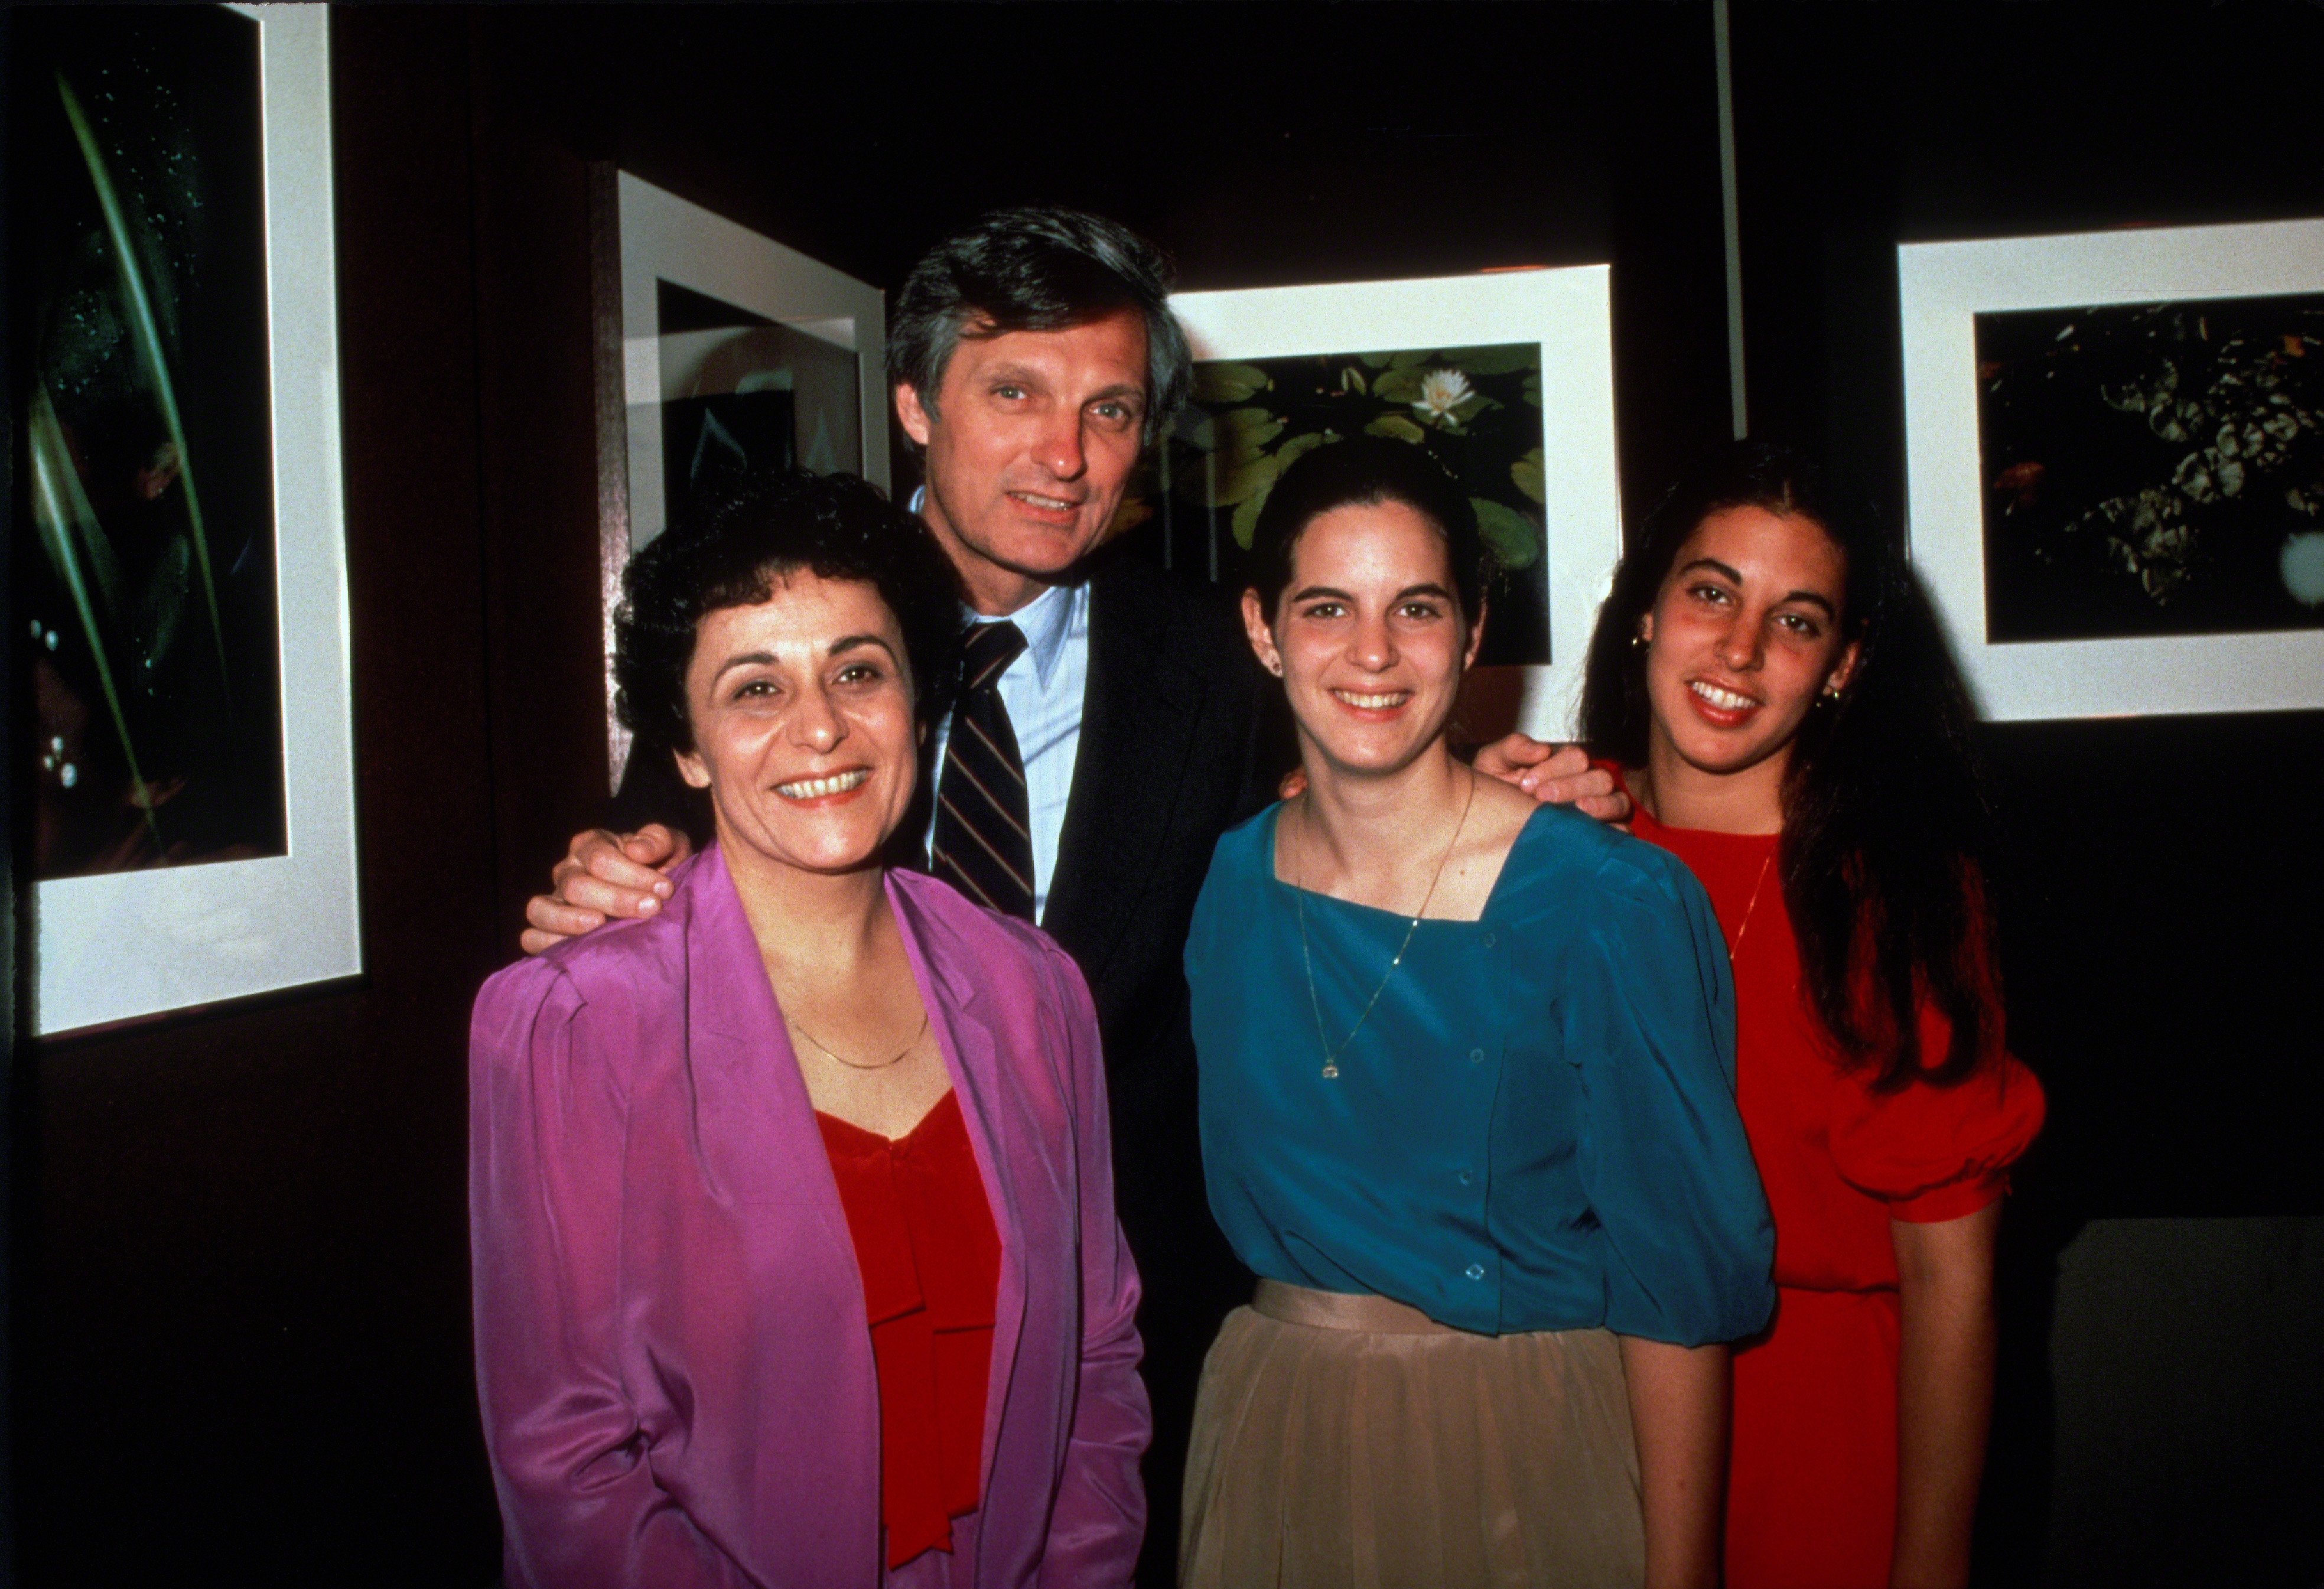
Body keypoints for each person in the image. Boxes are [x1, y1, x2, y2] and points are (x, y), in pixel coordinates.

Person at [517, 207, 1625, 1584]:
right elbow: (656, 896)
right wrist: (607, 882)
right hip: (785, 1385)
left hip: (1104, 1375)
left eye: (1108, 409)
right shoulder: (779, 637)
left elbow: (1367, 814)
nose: (1063, 454)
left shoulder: (1216, 671)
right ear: (915, 402)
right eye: (1015, 392)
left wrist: (1518, 790)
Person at [469, 470, 1148, 1587]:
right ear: (686, 747)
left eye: (858, 671)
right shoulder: (571, 1023)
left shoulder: (1034, 988)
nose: (820, 724)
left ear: (919, 707)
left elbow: (1098, 1357)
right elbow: (567, 1459)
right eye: (753, 688)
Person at [1179, 438, 1773, 1589]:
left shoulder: (1611, 899)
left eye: (1414, 607)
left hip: (1523, 1440)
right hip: (1275, 1434)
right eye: (1324, 608)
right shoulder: (1225, 882)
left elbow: (1675, 1292)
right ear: (1261, 628)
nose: (1370, 653)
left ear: (1472, 627)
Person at [1576, 442, 2046, 1589]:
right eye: (1709, 591)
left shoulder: (1891, 894)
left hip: (1807, 1433)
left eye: (1795, 619)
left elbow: (1952, 1280)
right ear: (1644, 609)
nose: (1737, 648)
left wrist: (1927, 1565)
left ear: (1839, 666)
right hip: (1574, 1415)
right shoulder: (1550, 840)